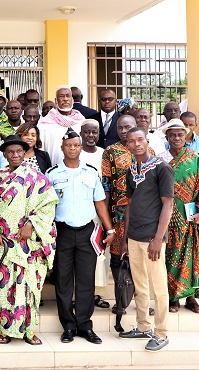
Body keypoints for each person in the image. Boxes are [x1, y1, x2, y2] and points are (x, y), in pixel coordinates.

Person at [45, 128, 114, 345]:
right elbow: (46, 206)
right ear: (62, 148)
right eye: (68, 145)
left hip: (86, 232)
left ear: (81, 148)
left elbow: (100, 203)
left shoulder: (91, 172)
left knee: (86, 282)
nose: (72, 148)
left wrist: (109, 229)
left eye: (76, 145)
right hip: (62, 232)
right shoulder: (52, 173)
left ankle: (85, 326)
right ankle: (68, 326)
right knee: (63, 282)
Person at [0, 135, 58, 346]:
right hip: (5, 244)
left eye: (19, 151)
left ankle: (29, 330)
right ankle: (4, 330)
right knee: (6, 288)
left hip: (30, 244)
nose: (15, 155)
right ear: (4, 154)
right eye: (10, 152)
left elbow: (49, 205)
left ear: (25, 153)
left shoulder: (37, 178)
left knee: (30, 287)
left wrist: (32, 223)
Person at [119, 127, 174, 352]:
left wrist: (157, 238)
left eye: (140, 139)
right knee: (140, 285)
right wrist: (125, 237)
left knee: (158, 287)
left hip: (153, 238)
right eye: (131, 141)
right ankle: (143, 326)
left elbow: (168, 204)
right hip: (134, 237)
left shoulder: (162, 168)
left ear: (146, 140)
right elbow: (130, 206)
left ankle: (161, 333)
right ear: (128, 146)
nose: (136, 144)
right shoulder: (131, 171)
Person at [157, 119, 199, 314]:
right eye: (172, 135)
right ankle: (172, 298)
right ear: (167, 137)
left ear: (186, 137)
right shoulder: (160, 159)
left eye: (180, 135)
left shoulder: (194, 157)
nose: (177, 138)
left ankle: (191, 299)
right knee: (170, 258)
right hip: (167, 218)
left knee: (192, 258)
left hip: (191, 218)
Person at [101, 114, 153, 311]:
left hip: (144, 214)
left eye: (128, 127)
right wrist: (104, 213)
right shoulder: (110, 152)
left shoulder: (149, 151)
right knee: (118, 256)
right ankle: (121, 300)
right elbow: (106, 184)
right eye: (120, 128)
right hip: (118, 213)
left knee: (141, 258)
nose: (124, 131)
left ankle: (143, 301)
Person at [79, 118, 109, 308]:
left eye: (94, 132)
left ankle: (96, 293)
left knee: (98, 252)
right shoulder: (74, 150)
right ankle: (79, 294)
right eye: (87, 132)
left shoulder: (104, 154)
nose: (91, 136)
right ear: (81, 133)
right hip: (80, 211)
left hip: (100, 210)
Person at [38, 87, 85, 165]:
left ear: (72, 100)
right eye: (61, 96)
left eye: (68, 96)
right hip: (52, 169)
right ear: (56, 100)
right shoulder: (45, 123)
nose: (65, 99)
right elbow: (40, 150)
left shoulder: (81, 121)